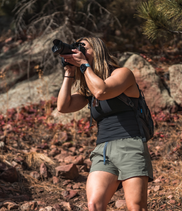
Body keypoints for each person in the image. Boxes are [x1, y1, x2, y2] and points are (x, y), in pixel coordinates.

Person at [56, 36, 153, 211]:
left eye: (83, 47)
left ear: (97, 51)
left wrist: (85, 65)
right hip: (103, 151)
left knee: (136, 207)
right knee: (94, 204)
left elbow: (102, 90)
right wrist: (69, 72)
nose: (79, 51)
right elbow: (63, 106)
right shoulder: (88, 88)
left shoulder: (123, 74)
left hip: (130, 145)